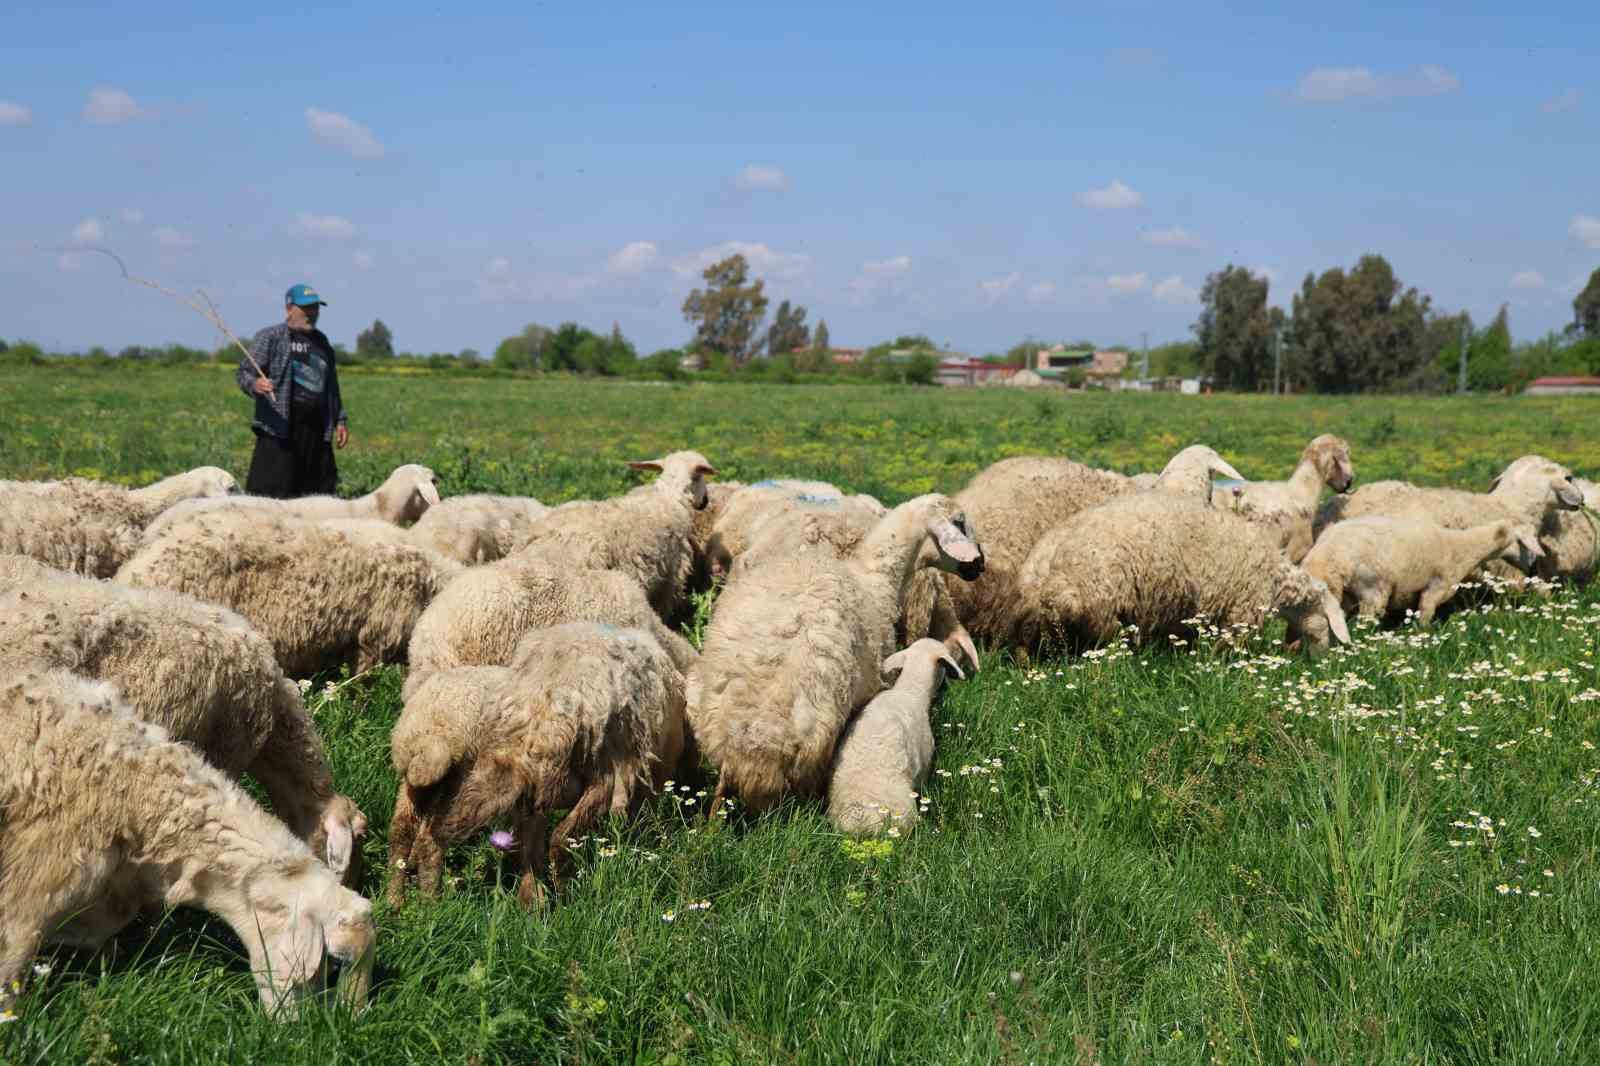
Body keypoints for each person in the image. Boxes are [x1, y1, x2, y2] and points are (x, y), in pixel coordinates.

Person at [237, 283, 350, 498]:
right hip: (279, 430)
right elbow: (244, 372)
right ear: (289, 308)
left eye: (316, 308)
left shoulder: (322, 342)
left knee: (319, 496)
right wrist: (255, 384)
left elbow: (331, 386)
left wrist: (340, 420)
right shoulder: (270, 337)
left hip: (317, 432)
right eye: (306, 308)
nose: (313, 314)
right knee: (270, 496)